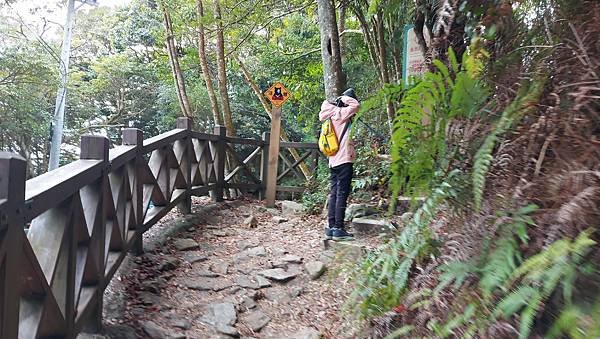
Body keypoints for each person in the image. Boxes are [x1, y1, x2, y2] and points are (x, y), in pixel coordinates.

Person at [319, 88, 360, 241]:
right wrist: (345, 98)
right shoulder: (340, 114)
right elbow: (355, 106)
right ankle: (338, 228)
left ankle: (331, 227)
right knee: (342, 194)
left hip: (333, 161)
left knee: (335, 193)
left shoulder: (329, 115)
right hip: (344, 160)